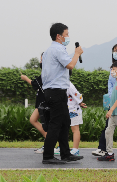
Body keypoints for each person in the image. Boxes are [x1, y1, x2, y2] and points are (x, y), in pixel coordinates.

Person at [40, 23, 84, 164]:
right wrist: (77, 54)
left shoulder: (48, 51)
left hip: (53, 91)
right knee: (55, 124)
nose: (68, 37)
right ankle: (48, 156)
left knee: (65, 123)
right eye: (66, 34)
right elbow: (70, 65)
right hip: (56, 91)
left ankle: (65, 154)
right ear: (58, 36)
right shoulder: (59, 49)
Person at [20, 53, 47, 154]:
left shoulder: (46, 73)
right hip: (42, 102)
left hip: (43, 103)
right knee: (38, 121)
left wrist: (25, 78)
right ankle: (48, 141)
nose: (40, 62)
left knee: (34, 120)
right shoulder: (46, 72)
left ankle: (48, 140)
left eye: (42, 60)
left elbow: (35, 84)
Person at [67, 75, 87, 156]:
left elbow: (78, 96)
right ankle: (61, 146)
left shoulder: (69, 85)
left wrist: (79, 102)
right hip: (66, 110)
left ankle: (75, 149)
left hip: (73, 111)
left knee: (75, 129)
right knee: (64, 129)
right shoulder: (63, 84)